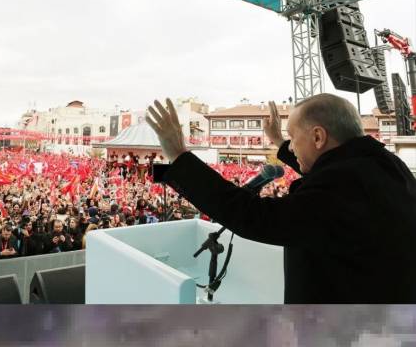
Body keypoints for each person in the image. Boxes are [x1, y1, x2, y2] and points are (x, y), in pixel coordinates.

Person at [146, 94, 416, 303]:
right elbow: (333, 172)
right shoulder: (386, 166)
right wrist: (279, 142)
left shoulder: (340, 189)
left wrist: (179, 157)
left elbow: (253, 216)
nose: (291, 145)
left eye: (293, 138)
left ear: (318, 136)